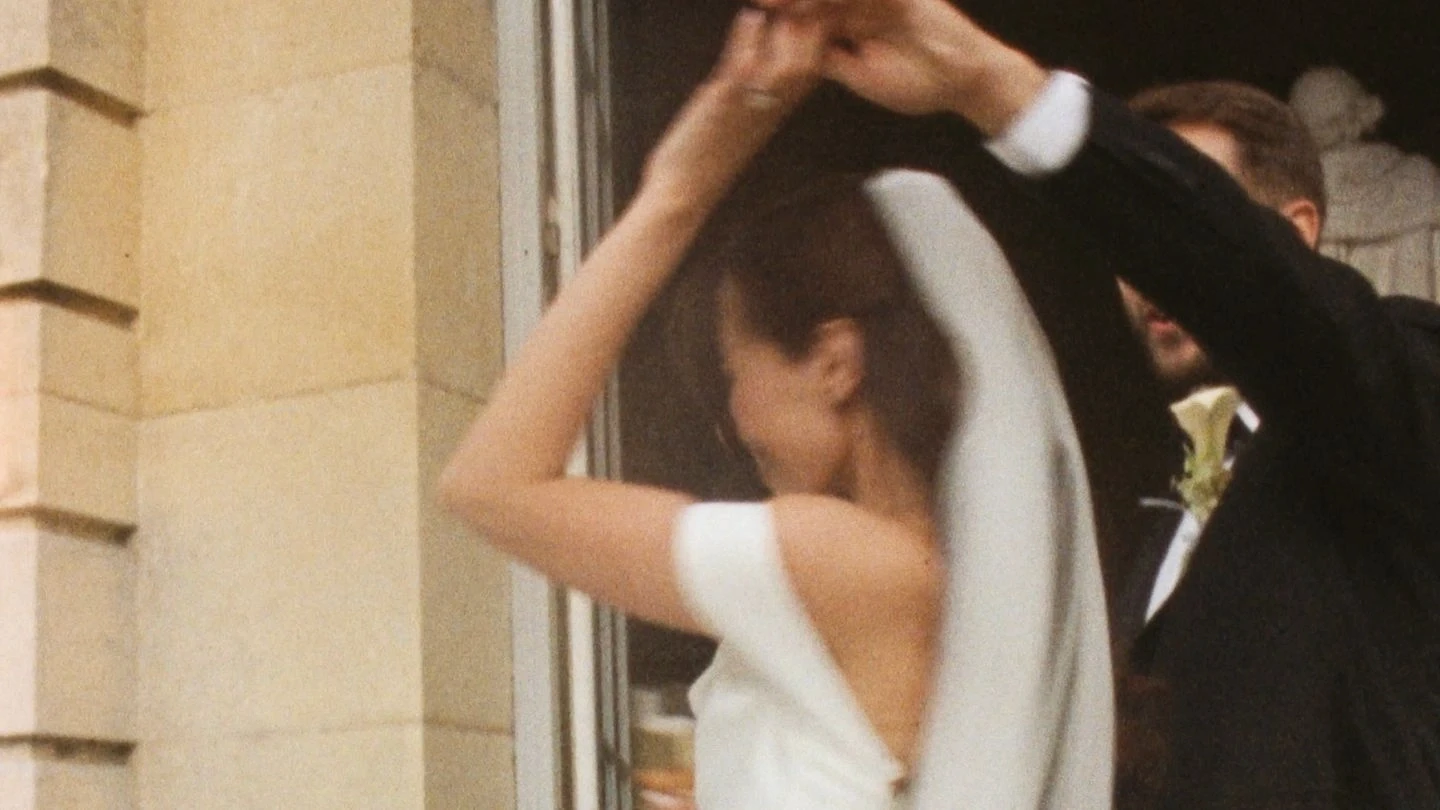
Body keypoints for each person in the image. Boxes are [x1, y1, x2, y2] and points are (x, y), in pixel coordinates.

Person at [753, 0, 1440, 807]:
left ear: (1291, 234)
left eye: (1168, 237)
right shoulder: (1131, 511)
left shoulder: (1398, 400)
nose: (1150, 277)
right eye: (1128, 250)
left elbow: (1255, 285)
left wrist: (993, 85)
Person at [440, 6, 1113, 810]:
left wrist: (676, 192)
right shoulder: (944, 572)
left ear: (834, 362)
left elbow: (489, 485)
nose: (733, 418)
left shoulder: (843, 558)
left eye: (735, 371)